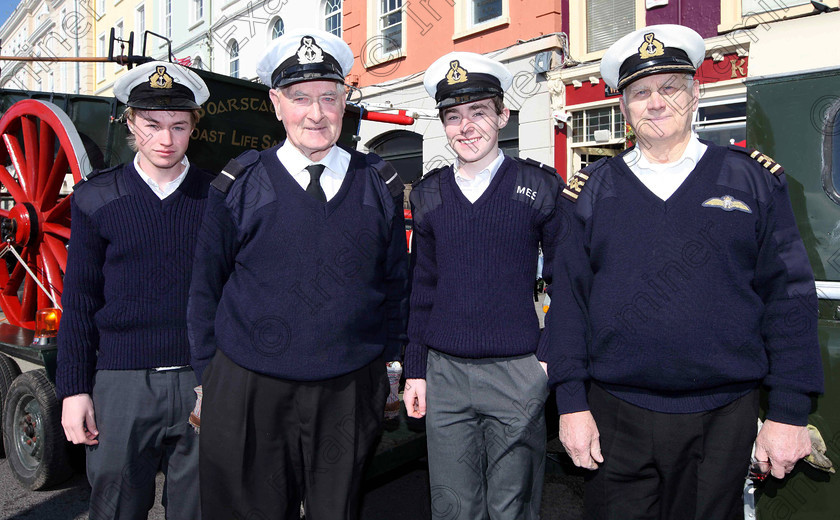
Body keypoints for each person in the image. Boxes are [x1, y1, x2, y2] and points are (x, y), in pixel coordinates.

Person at [548, 24, 824, 519]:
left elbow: (789, 297)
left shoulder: (753, 181)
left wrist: (789, 411)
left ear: (696, 93)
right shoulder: (590, 191)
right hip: (614, 414)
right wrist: (570, 403)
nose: (656, 103)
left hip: (723, 416)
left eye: (670, 87)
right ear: (624, 108)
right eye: (639, 93)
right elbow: (568, 303)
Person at [187, 28, 408, 520]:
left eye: (329, 98)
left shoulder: (378, 183)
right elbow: (206, 286)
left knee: (338, 510)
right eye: (300, 98)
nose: (316, 113)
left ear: (345, 102)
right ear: (275, 103)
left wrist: (391, 365)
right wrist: (209, 376)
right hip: (250, 386)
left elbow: (396, 284)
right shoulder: (239, 184)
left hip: (348, 388)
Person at [403, 51, 565, 519]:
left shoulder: (539, 188)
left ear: (502, 115)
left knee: (512, 506)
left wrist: (548, 360)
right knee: (452, 506)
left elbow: (567, 282)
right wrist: (416, 369)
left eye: (478, 112)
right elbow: (422, 289)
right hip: (445, 374)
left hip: (518, 370)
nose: (466, 127)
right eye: (453, 117)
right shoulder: (430, 193)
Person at [56, 60, 212, 520]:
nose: (165, 139)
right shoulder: (95, 199)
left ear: (193, 128)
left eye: (178, 126)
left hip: (202, 382)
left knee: (201, 509)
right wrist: (73, 390)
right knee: (116, 508)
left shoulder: (221, 199)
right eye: (152, 125)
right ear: (130, 123)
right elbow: (80, 301)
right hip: (120, 386)